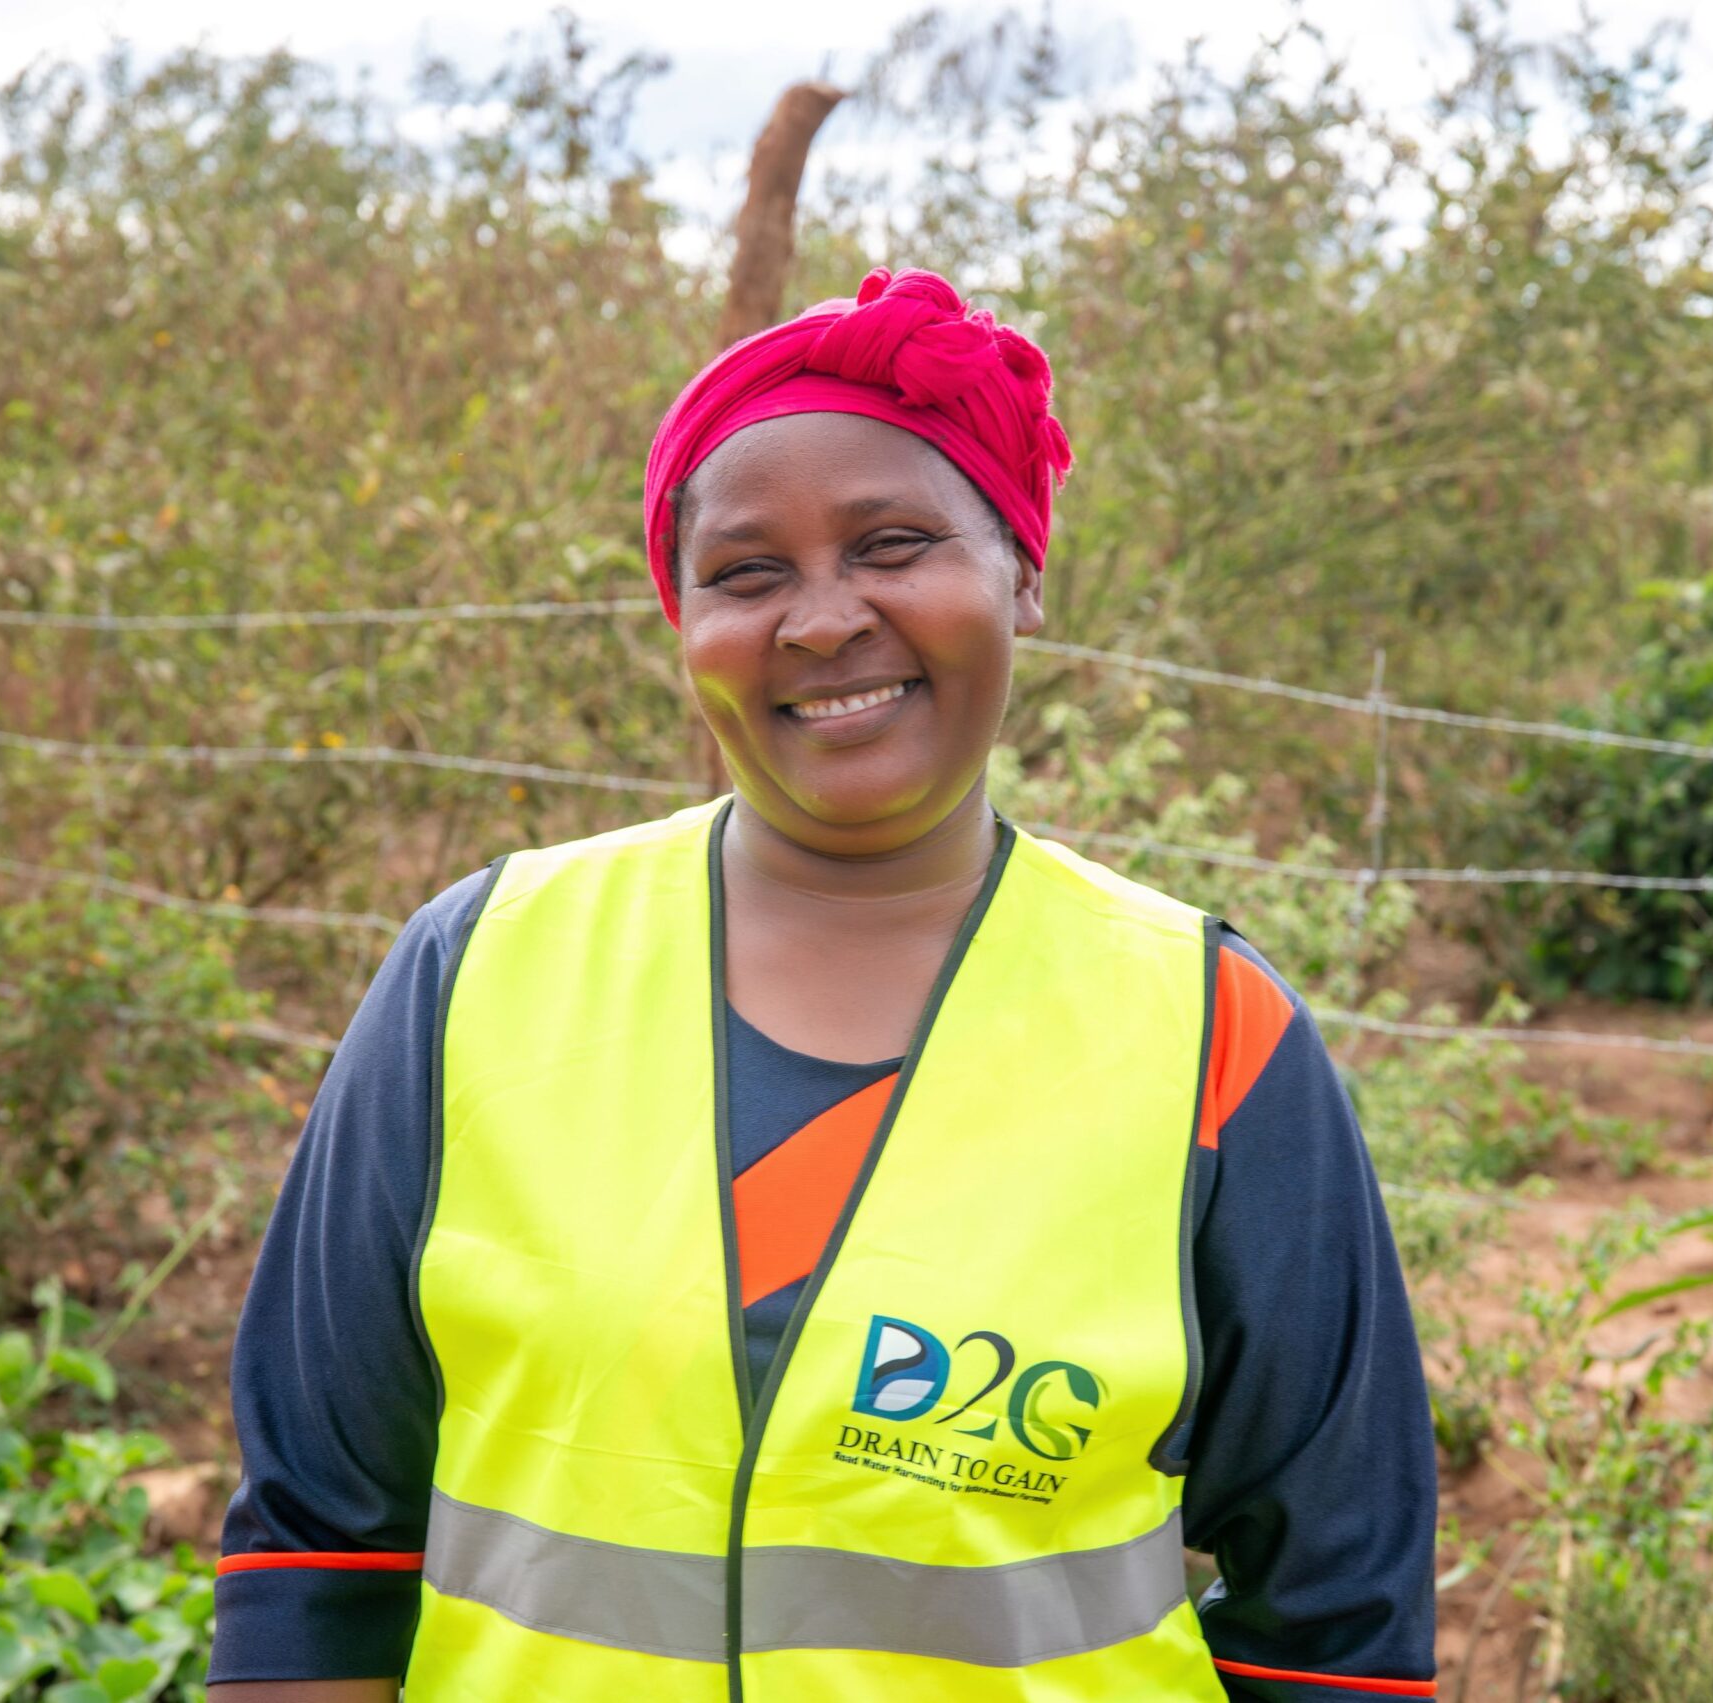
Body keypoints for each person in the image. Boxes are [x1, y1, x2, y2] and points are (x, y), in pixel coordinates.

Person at [206, 268, 1438, 1701]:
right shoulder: (477, 967)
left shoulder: (1212, 1036)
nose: (822, 619)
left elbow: (1340, 1621)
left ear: (1024, 575)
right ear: (685, 625)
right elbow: (317, 1549)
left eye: (895, 542)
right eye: (747, 571)